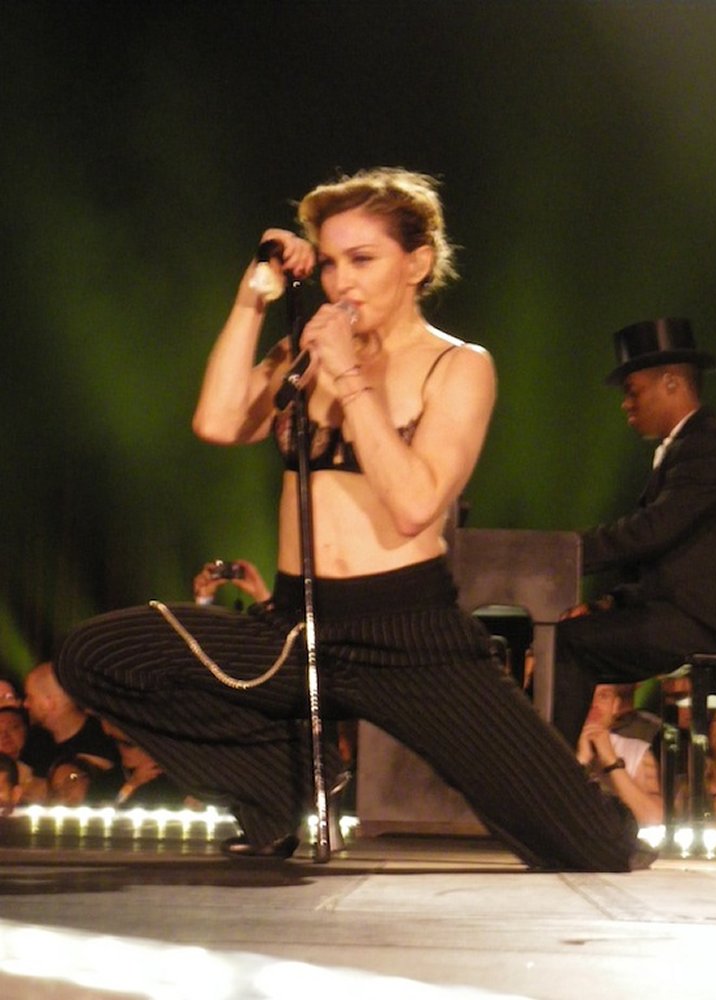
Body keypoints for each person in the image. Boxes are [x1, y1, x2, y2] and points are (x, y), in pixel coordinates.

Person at [55, 167, 649, 871]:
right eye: (331, 263)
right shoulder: (305, 354)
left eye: (363, 260)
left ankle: (592, 818)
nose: (342, 282)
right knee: (97, 657)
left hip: (408, 635)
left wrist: (348, 378)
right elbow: (218, 420)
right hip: (295, 628)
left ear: (417, 263)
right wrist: (252, 299)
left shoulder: (457, 365)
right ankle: (279, 789)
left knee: (591, 847)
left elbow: (415, 506)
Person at [553, 318, 716, 747]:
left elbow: (652, 532)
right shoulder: (690, 446)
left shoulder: (709, 446)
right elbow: (672, 564)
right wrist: (607, 603)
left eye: (633, 391)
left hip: (712, 623)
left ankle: (545, 772)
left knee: (568, 645)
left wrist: (564, 552)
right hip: (687, 614)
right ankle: (547, 764)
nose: (626, 404)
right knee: (572, 636)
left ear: (671, 382)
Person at [577, 684, 663, 826]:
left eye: (603, 696)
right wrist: (580, 763)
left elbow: (655, 820)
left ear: (615, 706)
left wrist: (611, 761)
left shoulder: (637, 752)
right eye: (588, 694)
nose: (594, 704)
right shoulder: (554, 746)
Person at [24, 661, 119, 773]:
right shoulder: (35, 744)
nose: (25, 704)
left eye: (30, 697)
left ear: (49, 703)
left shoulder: (105, 740)